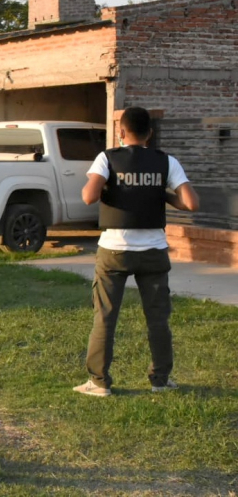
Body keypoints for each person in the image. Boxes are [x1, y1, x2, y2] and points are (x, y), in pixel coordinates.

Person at [73, 106, 200, 397]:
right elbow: (191, 203)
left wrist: (110, 186)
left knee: (105, 316)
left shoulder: (108, 157)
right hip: (153, 251)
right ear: (150, 134)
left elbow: (89, 196)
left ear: (121, 132)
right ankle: (160, 380)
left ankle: (99, 382)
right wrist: (160, 193)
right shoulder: (167, 161)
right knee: (158, 318)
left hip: (114, 250)